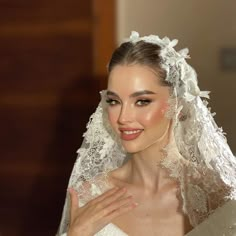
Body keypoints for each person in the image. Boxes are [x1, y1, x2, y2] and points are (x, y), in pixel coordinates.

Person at [57, 31, 236, 236]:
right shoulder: (90, 196)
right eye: (114, 101)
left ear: (177, 105)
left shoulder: (221, 193)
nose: (123, 117)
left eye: (142, 101)